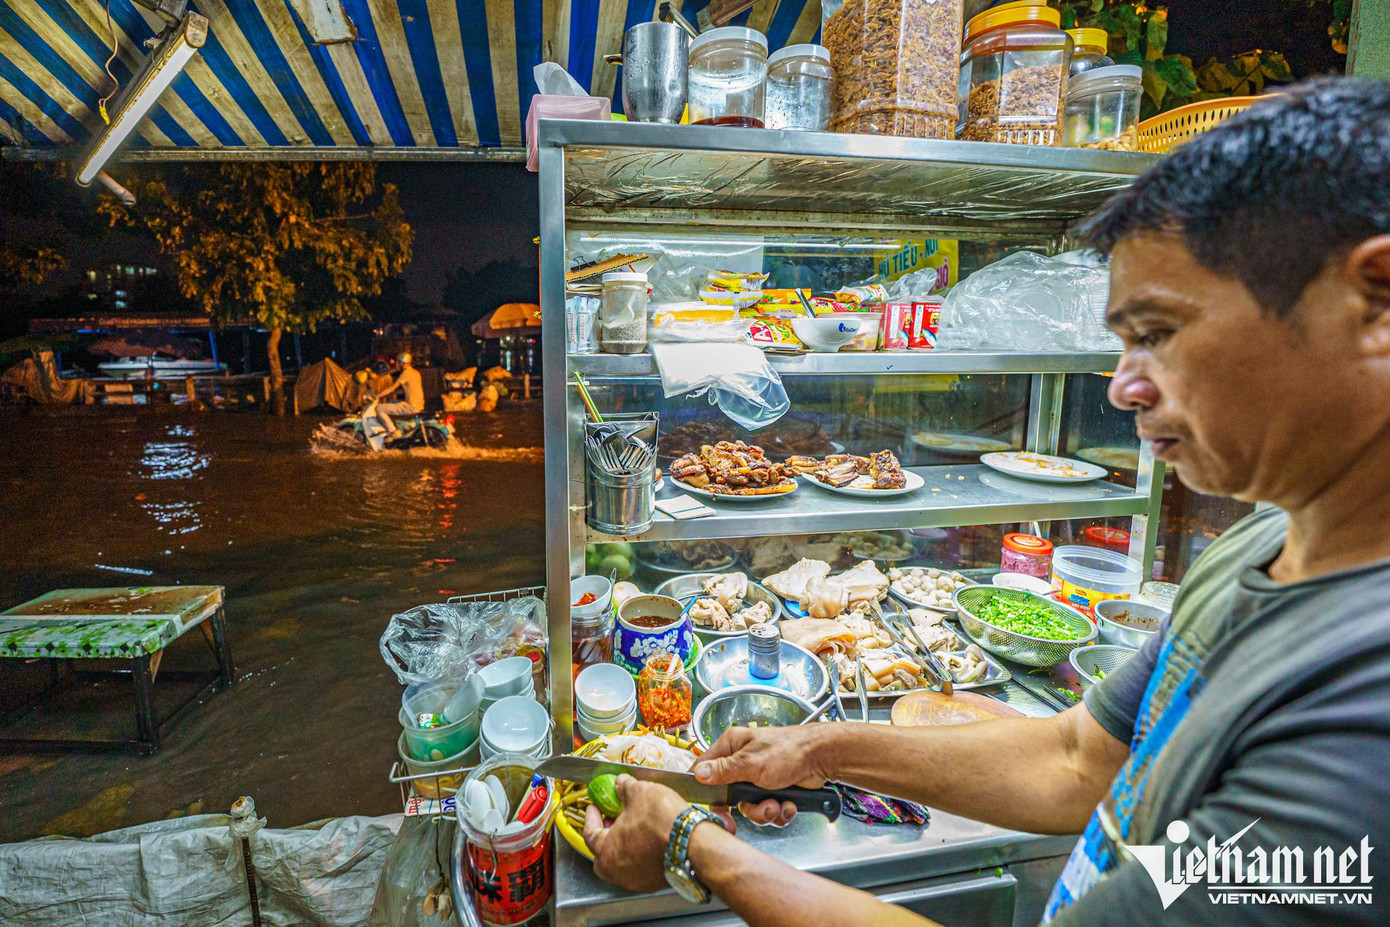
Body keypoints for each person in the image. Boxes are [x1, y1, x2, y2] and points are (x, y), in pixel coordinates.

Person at [583, 79, 1390, 925]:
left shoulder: (1358, 715)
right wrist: (816, 749)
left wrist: (695, 847)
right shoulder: (1257, 551)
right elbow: (1079, 760)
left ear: (1370, 301)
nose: (1120, 388)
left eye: (1156, 333)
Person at [365, 352, 425, 439]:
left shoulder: (406, 374)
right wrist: (389, 395)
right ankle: (397, 427)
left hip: (410, 406)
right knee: (391, 402)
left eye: (398, 362)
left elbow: (392, 388)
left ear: (402, 363)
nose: (396, 365)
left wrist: (376, 396)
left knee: (379, 408)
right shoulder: (416, 373)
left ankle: (393, 431)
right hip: (419, 404)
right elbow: (407, 390)